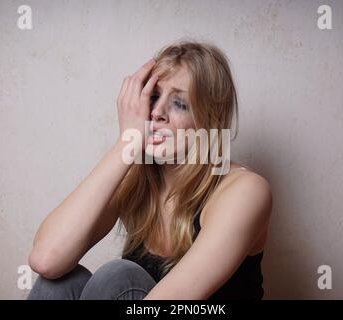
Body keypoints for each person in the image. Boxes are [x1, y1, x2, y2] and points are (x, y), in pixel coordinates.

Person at [27, 39, 273, 300]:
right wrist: (127, 143)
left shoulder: (245, 190)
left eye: (179, 103)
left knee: (118, 277)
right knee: (58, 283)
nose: (156, 112)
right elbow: (46, 259)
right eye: (152, 97)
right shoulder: (138, 177)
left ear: (209, 120)